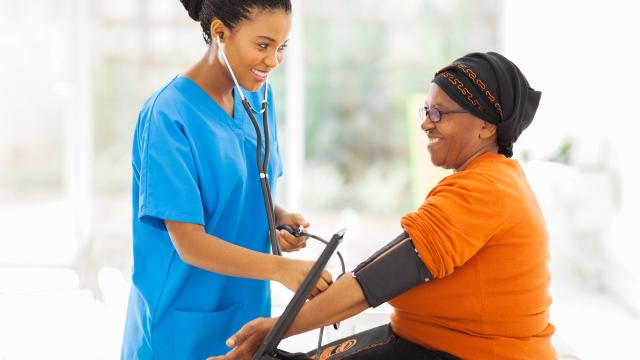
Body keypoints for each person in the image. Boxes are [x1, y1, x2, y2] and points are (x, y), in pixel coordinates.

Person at [210, 52, 556, 360]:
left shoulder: (483, 191)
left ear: (486, 126)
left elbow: (374, 282)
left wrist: (275, 329)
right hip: (431, 342)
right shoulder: (494, 179)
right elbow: (379, 272)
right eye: (426, 110)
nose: (425, 122)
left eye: (440, 113)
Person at [120, 1, 333, 358]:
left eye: (281, 47)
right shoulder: (168, 115)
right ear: (220, 33)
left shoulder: (258, 95)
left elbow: (243, 185)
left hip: (245, 313)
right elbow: (190, 242)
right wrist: (283, 269)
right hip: (179, 324)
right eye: (263, 45)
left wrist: (275, 216)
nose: (274, 61)